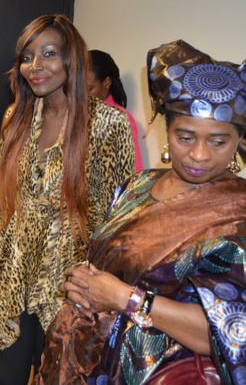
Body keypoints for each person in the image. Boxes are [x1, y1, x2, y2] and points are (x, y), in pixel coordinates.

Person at [38, 40, 246, 384]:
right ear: (167, 131)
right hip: (92, 357)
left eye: (218, 141)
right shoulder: (138, 187)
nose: (199, 154)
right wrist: (85, 286)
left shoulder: (235, 212)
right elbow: (115, 260)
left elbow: (229, 334)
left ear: (238, 141)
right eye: (186, 136)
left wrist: (123, 298)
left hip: (159, 372)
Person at [0, 14, 135, 384]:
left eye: (49, 54)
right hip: (14, 276)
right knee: (5, 377)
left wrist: (108, 288)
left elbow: (121, 216)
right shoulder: (15, 116)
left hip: (72, 285)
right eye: (28, 57)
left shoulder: (109, 123)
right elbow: (1, 203)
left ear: (71, 60)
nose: (36, 67)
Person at [88, 50, 144, 171]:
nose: (83, 95)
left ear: (106, 82)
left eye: (89, 89)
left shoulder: (119, 119)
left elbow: (133, 172)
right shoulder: (74, 117)